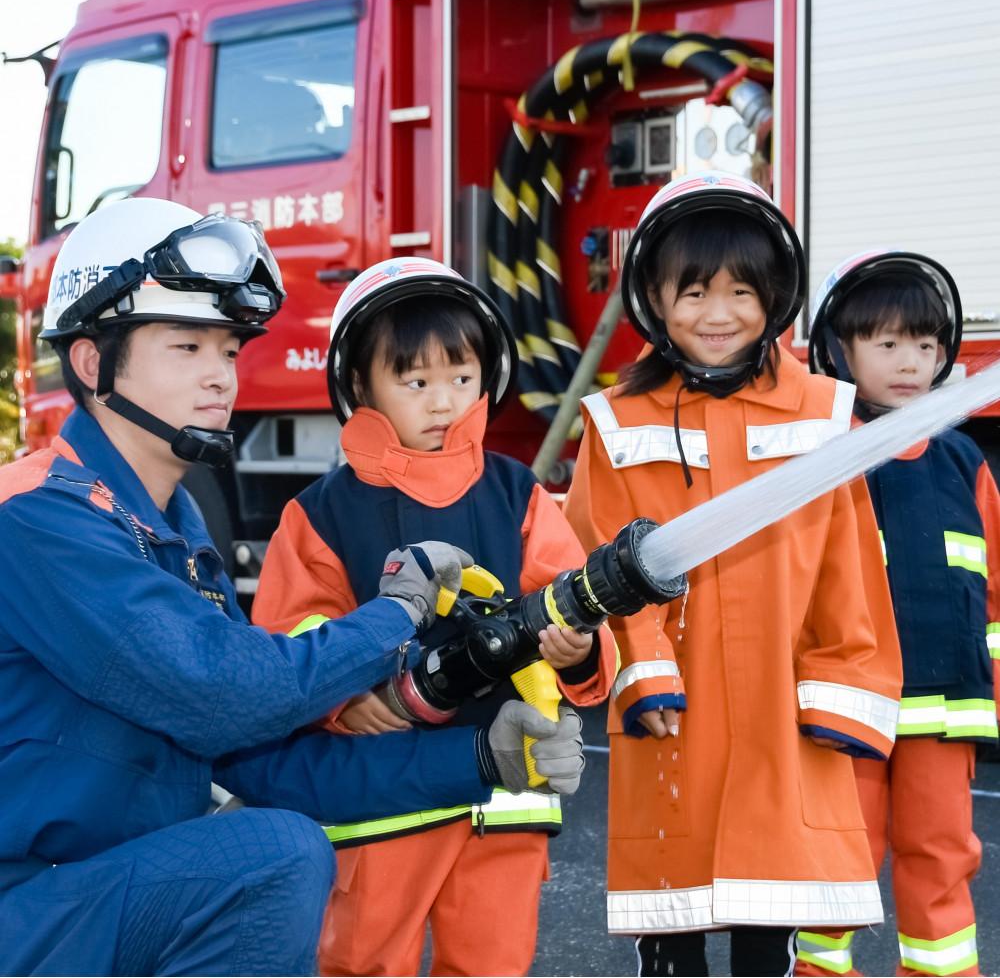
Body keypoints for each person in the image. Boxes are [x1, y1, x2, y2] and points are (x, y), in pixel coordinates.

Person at [0, 200, 585, 977]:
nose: (220, 376)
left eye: (230, 349)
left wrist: (487, 757)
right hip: (31, 910)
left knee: (276, 840)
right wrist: (396, 614)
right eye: (186, 346)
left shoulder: (174, 536)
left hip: (100, 903)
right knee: (273, 856)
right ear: (90, 363)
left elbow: (272, 766)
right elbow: (224, 693)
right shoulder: (39, 517)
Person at [562, 171, 903, 978]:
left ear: (776, 296)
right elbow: (596, 555)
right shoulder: (617, 422)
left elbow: (848, 568)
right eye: (694, 293)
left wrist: (841, 683)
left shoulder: (823, 416)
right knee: (669, 922)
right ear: (651, 296)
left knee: (770, 919)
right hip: (674, 716)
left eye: (742, 293)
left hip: (782, 711)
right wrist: (642, 668)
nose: (718, 316)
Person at [253, 256, 617, 976]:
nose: (443, 401)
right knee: (362, 963)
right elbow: (288, 643)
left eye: (460, 376)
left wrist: (578, 652)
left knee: (492, 965)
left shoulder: (519, 496)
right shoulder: (320, 516)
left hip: (506, 804)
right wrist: (346, 700)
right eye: (415, 381)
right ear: (360, 383)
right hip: (382, 804)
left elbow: (568, 599)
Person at [796, 250, 999, 978]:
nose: (912, 361)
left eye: (926, 344)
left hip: (947, 713)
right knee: (837, 868)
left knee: (942, 860)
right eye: (887, 343)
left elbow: (995, 589)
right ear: (837, 350)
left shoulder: (964, 463)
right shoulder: (823, 458)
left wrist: (991, 691)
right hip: (852, 710)